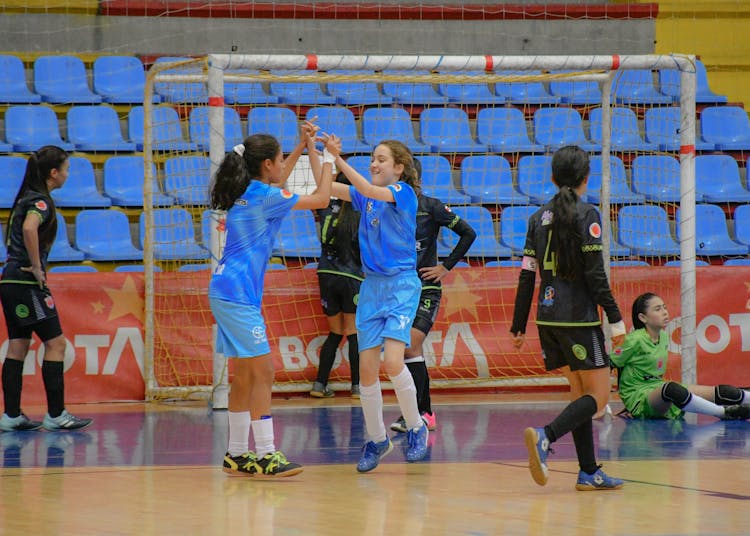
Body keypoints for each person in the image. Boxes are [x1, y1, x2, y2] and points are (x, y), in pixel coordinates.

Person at [210, 124, 335, 478]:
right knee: (263, 370)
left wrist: (299, 147)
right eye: (280, 160)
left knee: (247, 374)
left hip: (227, 290)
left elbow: (278, 183)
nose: (283, 165)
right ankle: (265, 454)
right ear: (267, 164)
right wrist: (327, 159)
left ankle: (236, 454)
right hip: (237, 294)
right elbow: (323, 200)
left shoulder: (251, 190)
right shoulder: (265, 197)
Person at [510, 145, 626, 491]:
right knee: (601, 399)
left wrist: (518, 325)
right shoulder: (587, 214)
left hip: (547, 319)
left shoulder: (536, 219)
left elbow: (527, 276)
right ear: (585, 179)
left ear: (552, 177)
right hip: (578, 319)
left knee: (579, 396)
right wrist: (617, 320)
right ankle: (546, 436)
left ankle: (588, 471)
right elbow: (596, 275)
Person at [327, 138, 430, 473]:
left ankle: (416, 427)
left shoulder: (403, 193)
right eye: (372, 159)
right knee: (366, 370)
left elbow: (369, 190)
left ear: (398, 167)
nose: (374, 163)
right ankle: (376, 438)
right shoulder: (367, 195)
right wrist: (320, 154)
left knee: (393, 361)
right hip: (370, 287)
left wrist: (339, 158)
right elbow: (325, 188)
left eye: (381, 159)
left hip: (400, 285)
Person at [0, 145, 92, 432]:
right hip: (27, 281)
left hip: (9, 279)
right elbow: (29, 229)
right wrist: (37, 266)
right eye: (65, 169)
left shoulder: (24, 199)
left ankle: (12, 416)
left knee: (18, 346)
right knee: (56, 344)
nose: (67, 174)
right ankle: (56, 414)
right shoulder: (40, 202)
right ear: (54, 173)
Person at [390, 158, 477, 433]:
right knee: (408, 352)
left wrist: (445, 266)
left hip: (426, 286)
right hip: (400, 289)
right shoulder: (389, 206)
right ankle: (422, 412)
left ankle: (419, 413)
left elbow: (468, 233)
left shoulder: (432, 207)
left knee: (410, 347)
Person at [610, 292, 750, 421]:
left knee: (720, 391)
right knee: (671, 389)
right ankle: (723, 413)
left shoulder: (663, 336)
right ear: (643, 317)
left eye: (664, 307)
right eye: (657, 309)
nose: (665, 312)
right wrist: (604, 404)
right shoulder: (634, 340)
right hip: (638, 396)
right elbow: (608, 364)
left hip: (656, 387)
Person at [309, 171, 363, 400]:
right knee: (353, 333)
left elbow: (314, 196)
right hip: (352, 277)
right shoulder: (360, 213)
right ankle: (357, 387)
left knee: (334, 332)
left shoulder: (323, 206)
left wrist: (327, 178)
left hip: (326, 274)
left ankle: (319, 385)